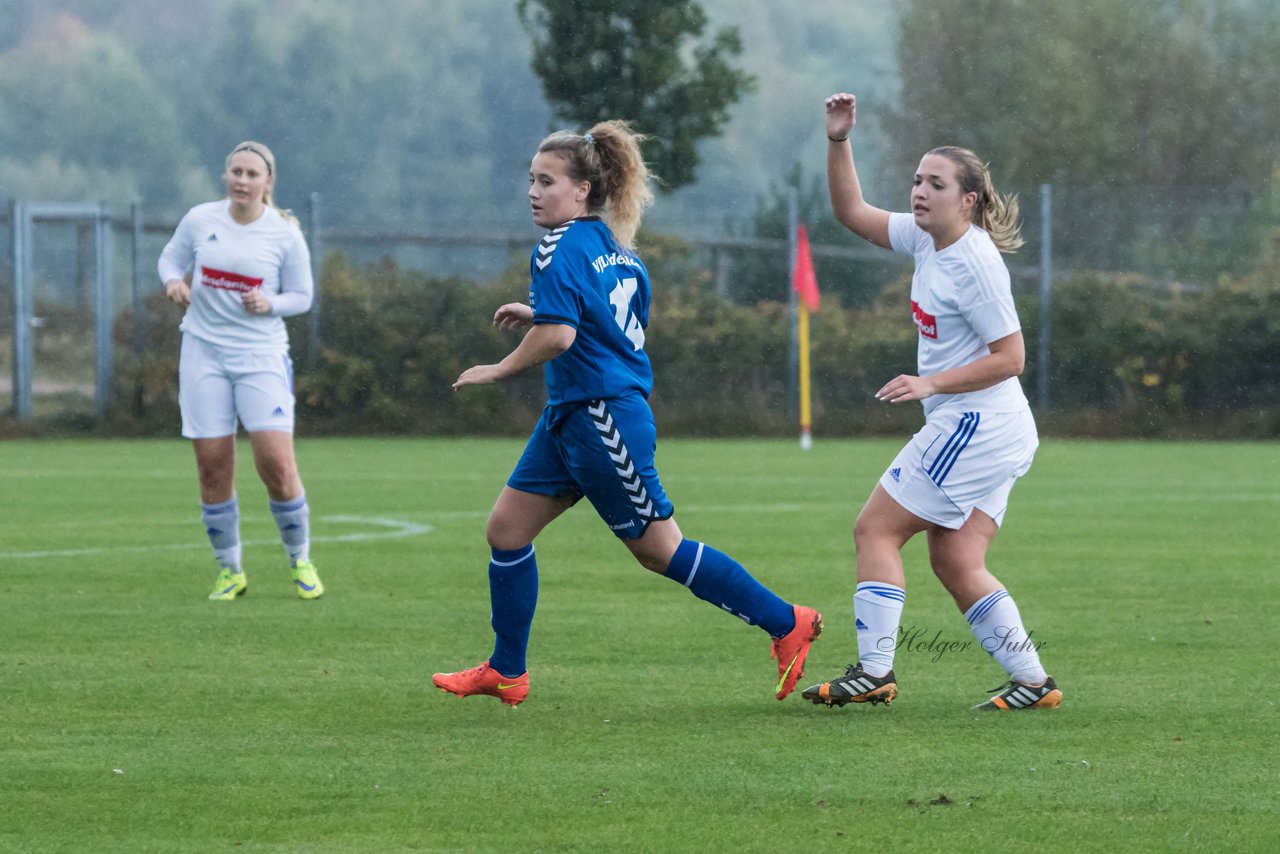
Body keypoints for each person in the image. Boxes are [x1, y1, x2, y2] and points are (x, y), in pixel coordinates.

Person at [432, 121, 822, 706]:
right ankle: (507, 670)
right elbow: (600, 323)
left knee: (660, 550)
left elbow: (561, 337)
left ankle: (787, 621)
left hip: (600, 420)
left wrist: (499, 367)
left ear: (583, 189)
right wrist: (539, 310)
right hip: (572, 415)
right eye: (531, 181)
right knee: (507, 531)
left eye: (547, 181)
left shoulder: (555, 246)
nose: (533, 192)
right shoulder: (618, 251)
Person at [800, 93, 1061, 711]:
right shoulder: (925, 240)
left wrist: (932, 385)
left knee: (875, 529)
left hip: (978, 421)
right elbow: (851, 211)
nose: (919, 191)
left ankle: (874, 671)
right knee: (957, 557)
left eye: (935, 183)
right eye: (917, 179)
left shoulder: (975, 264)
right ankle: (1033, 682)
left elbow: (1012, 357)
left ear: (967, 200)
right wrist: (839, 141)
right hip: (997, 427)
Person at [158, 141, 324, 602]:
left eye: (252, 174)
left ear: (267, 182)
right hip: (203, 354)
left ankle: (300, 561)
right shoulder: (201, 219)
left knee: (276, 463)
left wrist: (270, 302)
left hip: (261, 358)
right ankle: (230, 571)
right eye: (236, 172)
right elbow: (170, 258)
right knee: (213, 467)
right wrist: (173, 280)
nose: (242, 181)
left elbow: (302, 296)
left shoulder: (284, 234)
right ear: (225, 176)